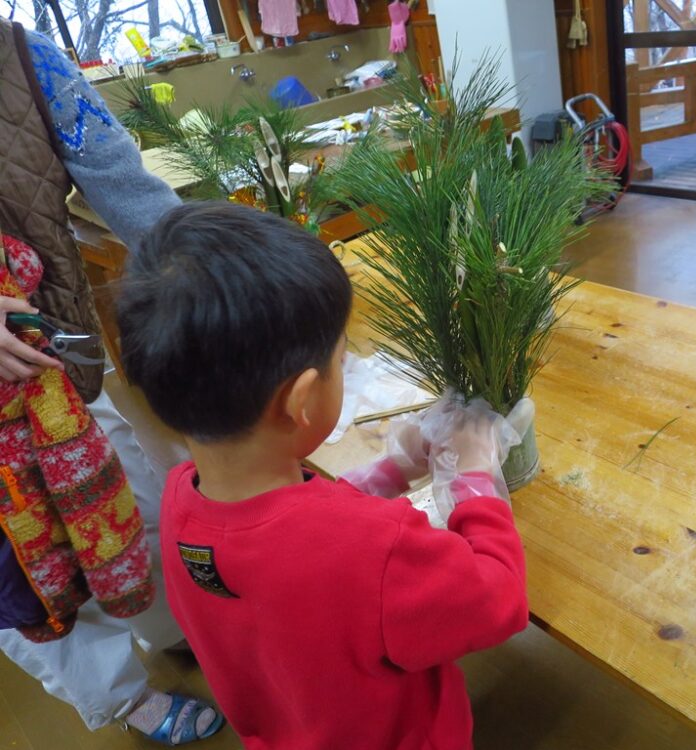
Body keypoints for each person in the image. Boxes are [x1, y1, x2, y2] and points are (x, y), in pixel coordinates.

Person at [115, 201, 531, 750]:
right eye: (340, 360)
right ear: (302, 399)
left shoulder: (181, 499)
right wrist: (475, 480)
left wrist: (390, 471)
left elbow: (288, 543)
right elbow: (500, 598)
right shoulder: (375, 549)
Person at [0, 19, 223, 744]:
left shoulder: (22, 56)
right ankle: (124, 697)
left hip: (56, 363)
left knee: (135, 504)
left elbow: (124, 185)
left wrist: (226, 266)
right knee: (34, 575)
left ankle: (178, 626)